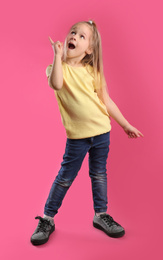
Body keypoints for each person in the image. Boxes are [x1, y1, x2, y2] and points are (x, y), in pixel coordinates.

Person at [30, 20, 144, 246]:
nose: (74, 37)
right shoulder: (55, 69)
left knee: (99, 174)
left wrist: (125, 124)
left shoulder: (93, 71)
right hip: (77, 137)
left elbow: (107, 101)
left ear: (90, 49)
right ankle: (47, 219)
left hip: (102, 132)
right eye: (73, 32)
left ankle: (101, 215)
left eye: (82, 36)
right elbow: (56, 85)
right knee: (65, 178)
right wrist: (57, 55)